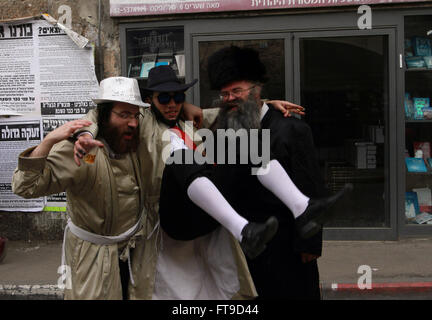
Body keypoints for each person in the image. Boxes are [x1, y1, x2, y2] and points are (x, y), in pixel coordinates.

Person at [72, 66, 308, 299]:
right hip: (168, 218)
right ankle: (243, 229)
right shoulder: (142, 123)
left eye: (178, 97)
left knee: (243, 143)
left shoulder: (188, 122)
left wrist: (266, 104)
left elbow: (221, 112)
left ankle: (301, 207)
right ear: (149, 101)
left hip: (199, 212)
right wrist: (86, 134)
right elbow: (96, 115)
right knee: (170, 289)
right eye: (164, 98)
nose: (172, 104)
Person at [202, 45, 342, 299]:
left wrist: (309, 244)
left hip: (285, 247)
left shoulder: (291, 129)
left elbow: (311, 187)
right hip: (241, 246)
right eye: (224, 93)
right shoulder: (221, 130)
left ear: (257, 90)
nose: (230, 98)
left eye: (236, 90)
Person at [12, 77, 148, 300]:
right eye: (124, 115)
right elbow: (24, 186)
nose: (133, 122)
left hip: (134, 257)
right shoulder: (82, 151)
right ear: (104, 115)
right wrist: (48, 142)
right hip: (93, 262)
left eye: (135, 115)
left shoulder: (132, 139)